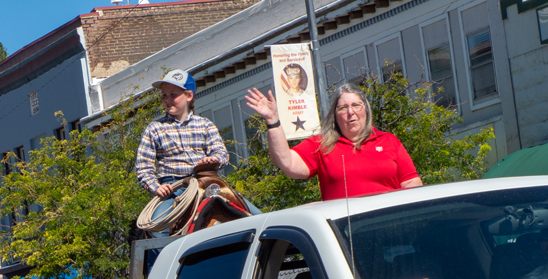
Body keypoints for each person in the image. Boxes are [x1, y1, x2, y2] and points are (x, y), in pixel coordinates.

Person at [244, 83, 422, 201]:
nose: (350, 112)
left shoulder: (388, 140)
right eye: (343, 107)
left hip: (391, 226)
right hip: (345, 233)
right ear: (335, 115)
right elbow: (286, 163)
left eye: (356, 105)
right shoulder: (322, 144)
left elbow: (412, 185)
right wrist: (273, 120)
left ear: (366, 109)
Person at [135, 69, 228, 205]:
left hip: (205, 182)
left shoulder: (204, 124)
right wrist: (157, 187)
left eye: (173, 95)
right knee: (156, 223)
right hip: (172, 188)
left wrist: (214, 159)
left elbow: (221, 153)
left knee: (249, 212)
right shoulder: (155, 128)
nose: (167, 99)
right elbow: (143, 167)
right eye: (164, 95)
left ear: (189, 96)